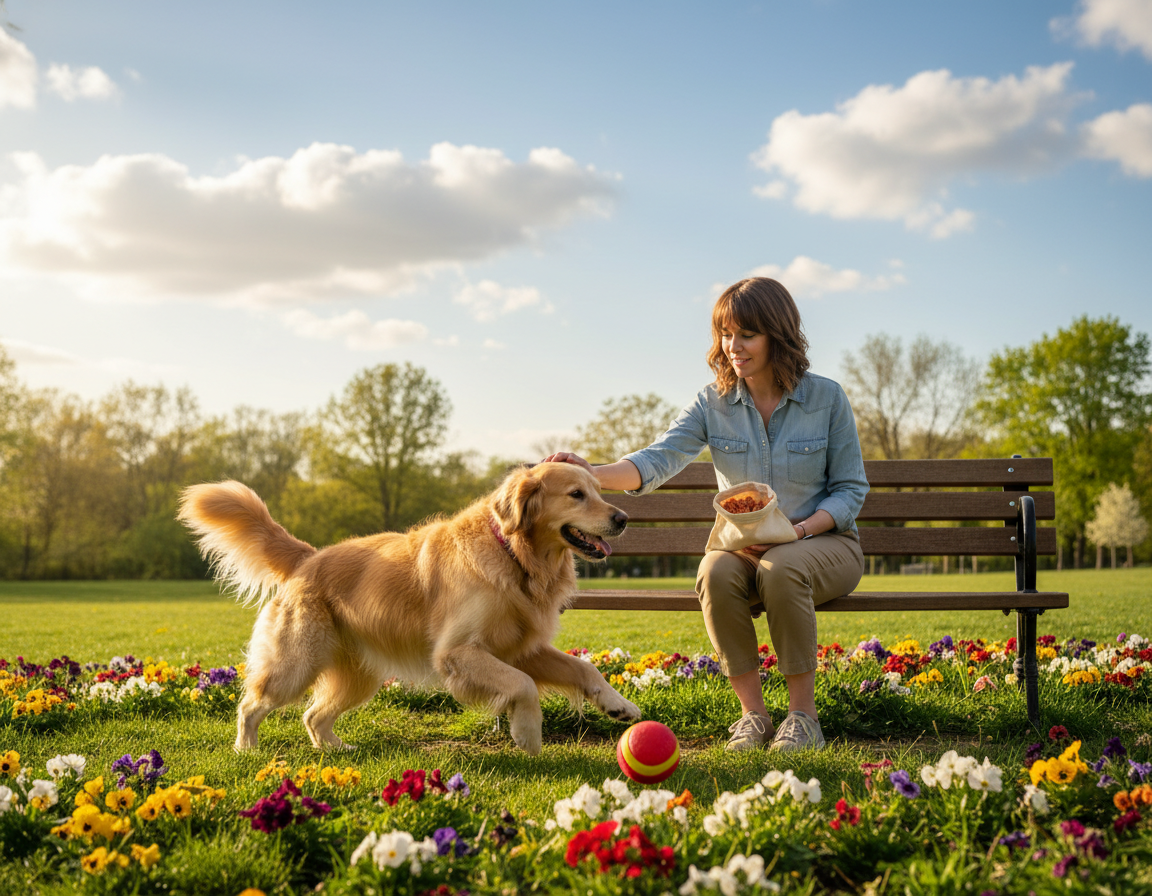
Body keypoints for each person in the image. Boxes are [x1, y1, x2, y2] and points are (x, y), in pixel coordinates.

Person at [545, 277, 868, 752]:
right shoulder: (711, 402)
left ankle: (803, 718)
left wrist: (797, 532)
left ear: (778, 335)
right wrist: (589, 472)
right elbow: (657, 460)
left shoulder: (827, 398)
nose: (732, 347)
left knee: (782, 567)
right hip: (741, 548)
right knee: (714, 570)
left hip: (823, 544)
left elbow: (850, 490)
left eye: (747, 334)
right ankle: (753, 717)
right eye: (724, 333)